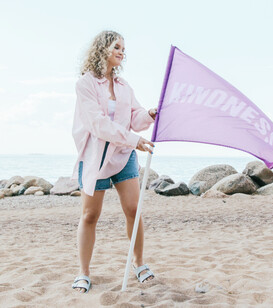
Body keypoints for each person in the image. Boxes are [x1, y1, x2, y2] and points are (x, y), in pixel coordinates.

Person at [71, 30, 157, 293]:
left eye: (123, 48)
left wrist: (150, 114)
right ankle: (83, 273)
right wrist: (134, 140)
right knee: (90, 215)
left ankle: (139, 263)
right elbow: (97, 124)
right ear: (102, 49)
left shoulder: (123, 86)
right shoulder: (85, 83)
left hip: (123, 156)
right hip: (95, 157)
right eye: (116, 46)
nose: (122, 51)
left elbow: (135, 116)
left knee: (133, 209)